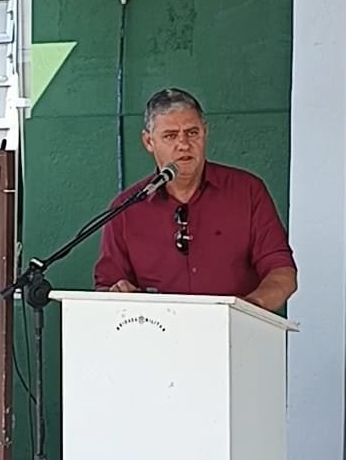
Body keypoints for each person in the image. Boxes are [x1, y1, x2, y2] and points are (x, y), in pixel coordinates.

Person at [93, 87, 297, 311]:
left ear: (205, 132)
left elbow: (282, 273)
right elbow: (108, 285)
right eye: (170, 136)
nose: (184, 144)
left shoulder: (247, 191)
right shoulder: (126, 208)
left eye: (192, 133)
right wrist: (118, 293)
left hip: (236, 329)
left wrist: (247, 310)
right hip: (156, 330)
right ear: (149, 141)